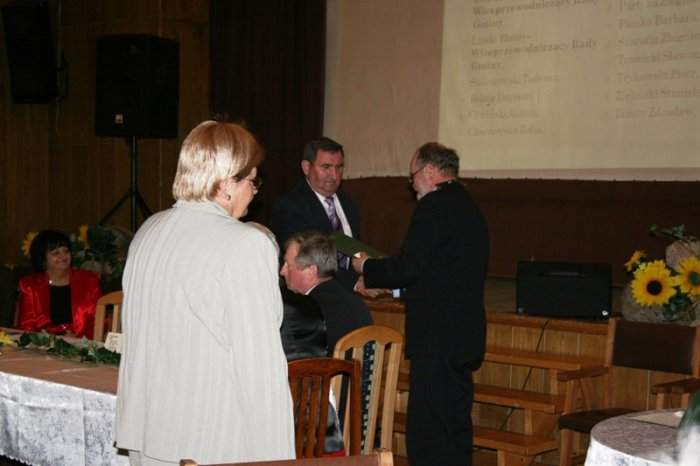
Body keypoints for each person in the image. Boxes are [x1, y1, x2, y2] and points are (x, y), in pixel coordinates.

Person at [115, 121, 294, 465]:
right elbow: (259, 365)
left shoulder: (149, 231)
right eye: (252, 181)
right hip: (213, 441)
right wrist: (277, 458)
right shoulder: (245, 243)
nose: (255, 192)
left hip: (148, 433)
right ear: (226, 183)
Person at [352, 142, 489, 466]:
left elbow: (409, 267)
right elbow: (440, 274)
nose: (412, 185)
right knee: (455, 426)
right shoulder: (470, 208)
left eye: (412, 176)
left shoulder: (434, 206)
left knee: (428, 431)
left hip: (436, 339)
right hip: (463, 336)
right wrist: (395, 288)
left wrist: (366, 267)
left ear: (429, 171)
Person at [271, 137, 360, 290]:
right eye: (326, 167)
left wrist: (370, 273)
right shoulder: (289, 207)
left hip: (348, 296)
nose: (334, 175)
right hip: (310, 298)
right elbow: (307, 258)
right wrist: (354, 283)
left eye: (339, 167)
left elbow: (354, 251)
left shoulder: (349, 203)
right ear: (306, 167)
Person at [280, 231, 372, 354]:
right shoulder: (357, 303)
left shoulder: (308, 311)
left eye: (288, 265)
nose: (282, 271)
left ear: (310, 270)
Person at [17, 229, 101, 338]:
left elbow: (98, 321)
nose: (63, 256)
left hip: (82, 342)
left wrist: (79, 338)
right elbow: (27, 326)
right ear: (42, 258)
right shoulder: (30, 285)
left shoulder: (89, 280)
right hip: (43, 344)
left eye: (66, 251)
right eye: (56, 253)